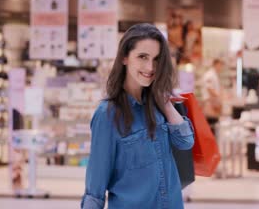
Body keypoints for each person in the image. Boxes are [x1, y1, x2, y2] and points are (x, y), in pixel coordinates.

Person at [81, 23, 194, 209]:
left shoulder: (158, 105)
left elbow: (185, 142)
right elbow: (95, 188)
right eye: (142, 57)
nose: (150, 67)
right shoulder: (108, 114)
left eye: (156, 59)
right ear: (125, 57)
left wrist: (165, 103)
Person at [201, 59, 224, 136]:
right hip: (210, 103)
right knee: (211, 125)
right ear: (216, 64)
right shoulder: (210, 75)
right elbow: (209, 89)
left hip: (213, 103)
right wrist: (218, 98)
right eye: (220, 65)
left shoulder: (214, 75)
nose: (221, 68)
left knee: (214, 124)